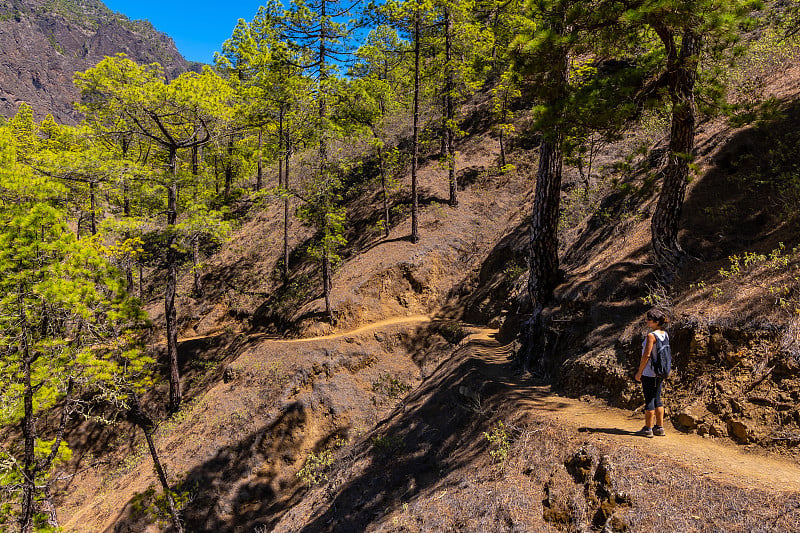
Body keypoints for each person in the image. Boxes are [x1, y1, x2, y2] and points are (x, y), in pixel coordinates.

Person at [633, 309, 669, 437]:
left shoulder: (651, 336)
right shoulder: (665, 334)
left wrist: (639, 372)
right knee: (658, 399)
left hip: (650, 373)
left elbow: (646, 355)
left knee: (649, 400)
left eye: (649, 319)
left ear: (655, 321)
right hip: (660, 372)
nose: (646, 320)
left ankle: (648, 429)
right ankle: (659, 427)